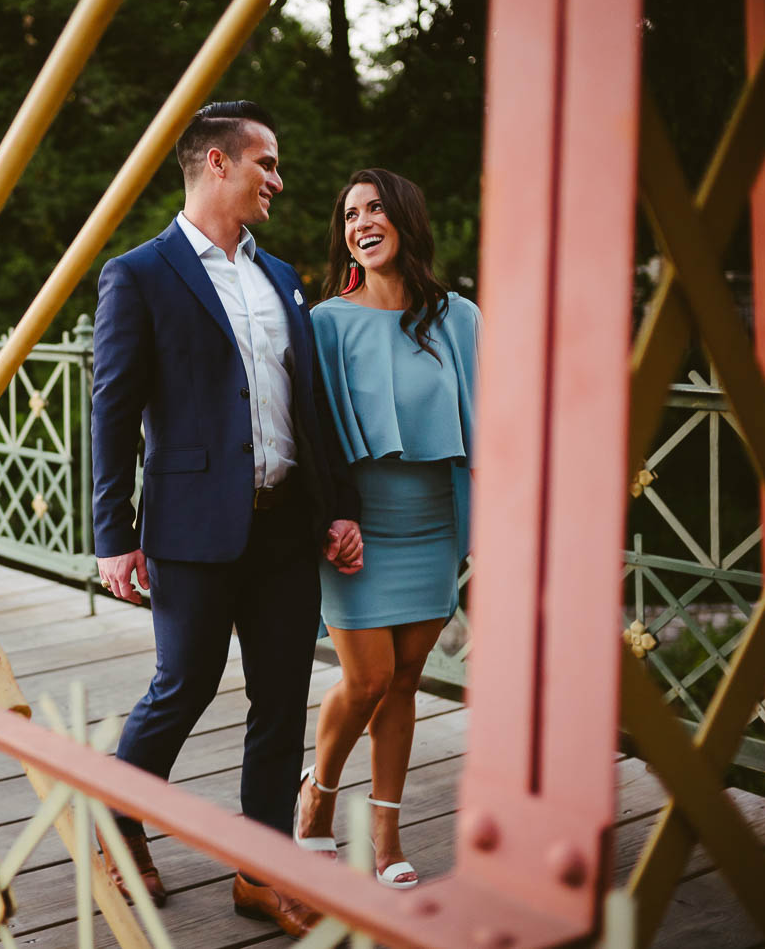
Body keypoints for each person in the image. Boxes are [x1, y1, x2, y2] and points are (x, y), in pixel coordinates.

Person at [91, 100, 362, 937]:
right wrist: (114, 536)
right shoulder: (137, 274)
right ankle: (116, 817)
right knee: (184, 686)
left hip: (285, 527)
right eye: (266, 164)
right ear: (217, 164)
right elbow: (112, 409)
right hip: (191, 528)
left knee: (281, 699)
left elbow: (307, 404)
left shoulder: (281, 277)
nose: (278, 180)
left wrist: (337, 508)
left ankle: (261, 868)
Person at [294, 168, 480, 890]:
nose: (360, 223)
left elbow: (487, 420)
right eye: (349, 215)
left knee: (405, 680)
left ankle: (386, 833)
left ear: (404, 219)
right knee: (366, 678)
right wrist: (327, 519)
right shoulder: (324, 322)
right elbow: (311, 437)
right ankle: (319, 793)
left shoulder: (458, 317)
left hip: (433, 522)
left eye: (374, 209)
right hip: (358, 529)